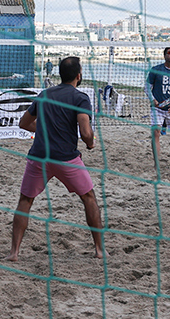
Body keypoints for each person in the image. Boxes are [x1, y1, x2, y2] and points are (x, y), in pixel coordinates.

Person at [7, 56, 104, 261]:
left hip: (39, 157)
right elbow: (86, 132)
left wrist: (45, 130)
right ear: (79, 76)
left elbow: (24, 123)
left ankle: (14, 252)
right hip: (66, 159)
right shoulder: (80, 98)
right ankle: (99, 250)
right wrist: (90, 143)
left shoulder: (45, 94)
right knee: (89, 198)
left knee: (25, 201)